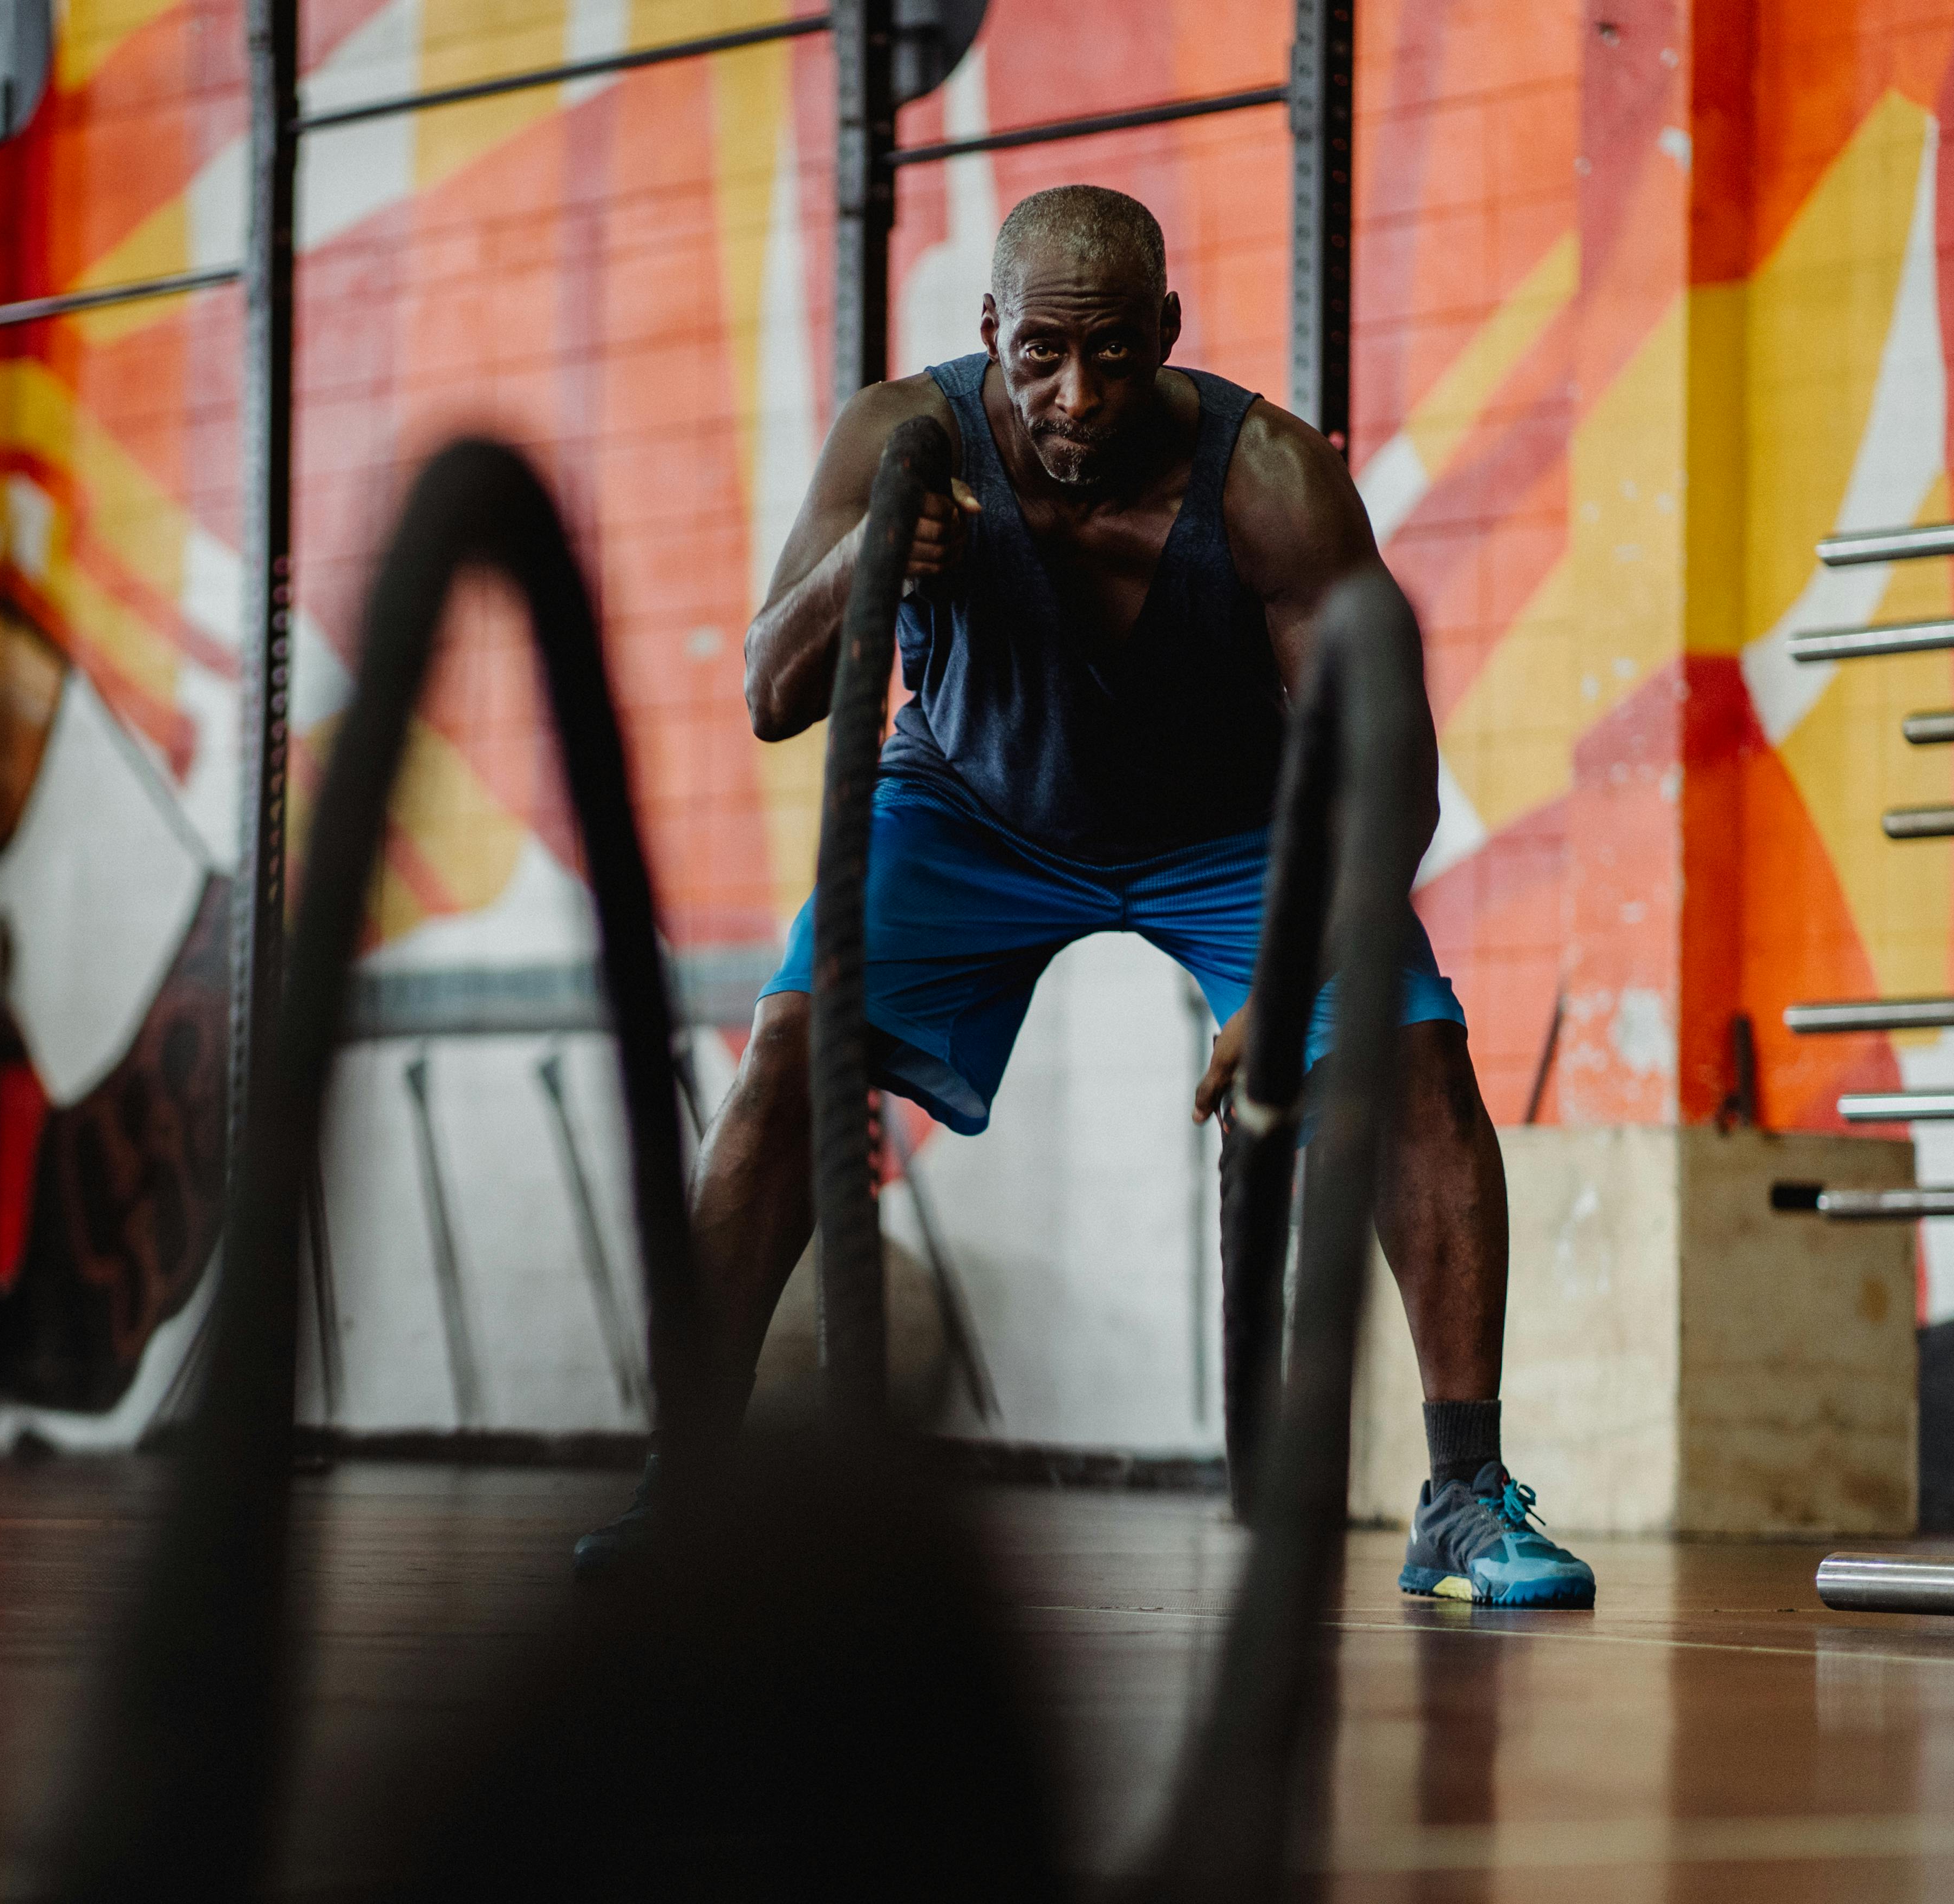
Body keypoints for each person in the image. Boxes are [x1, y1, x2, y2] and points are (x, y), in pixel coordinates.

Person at [576, 185, 1594, 1610]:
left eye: (1112, 353)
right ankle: (685, 1483)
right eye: (1039, 353)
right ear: (987, 330)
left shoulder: (1269, 482)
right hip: (968, 810)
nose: (1073, 393)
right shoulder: (894, 440)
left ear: (1166, 335)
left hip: (1234, 835)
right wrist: (864, 566)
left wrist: (1297, 973)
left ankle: (1463, 1498)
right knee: (788, 1054)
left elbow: (1396, 781)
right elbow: (768, 694)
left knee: (1418, 1055)